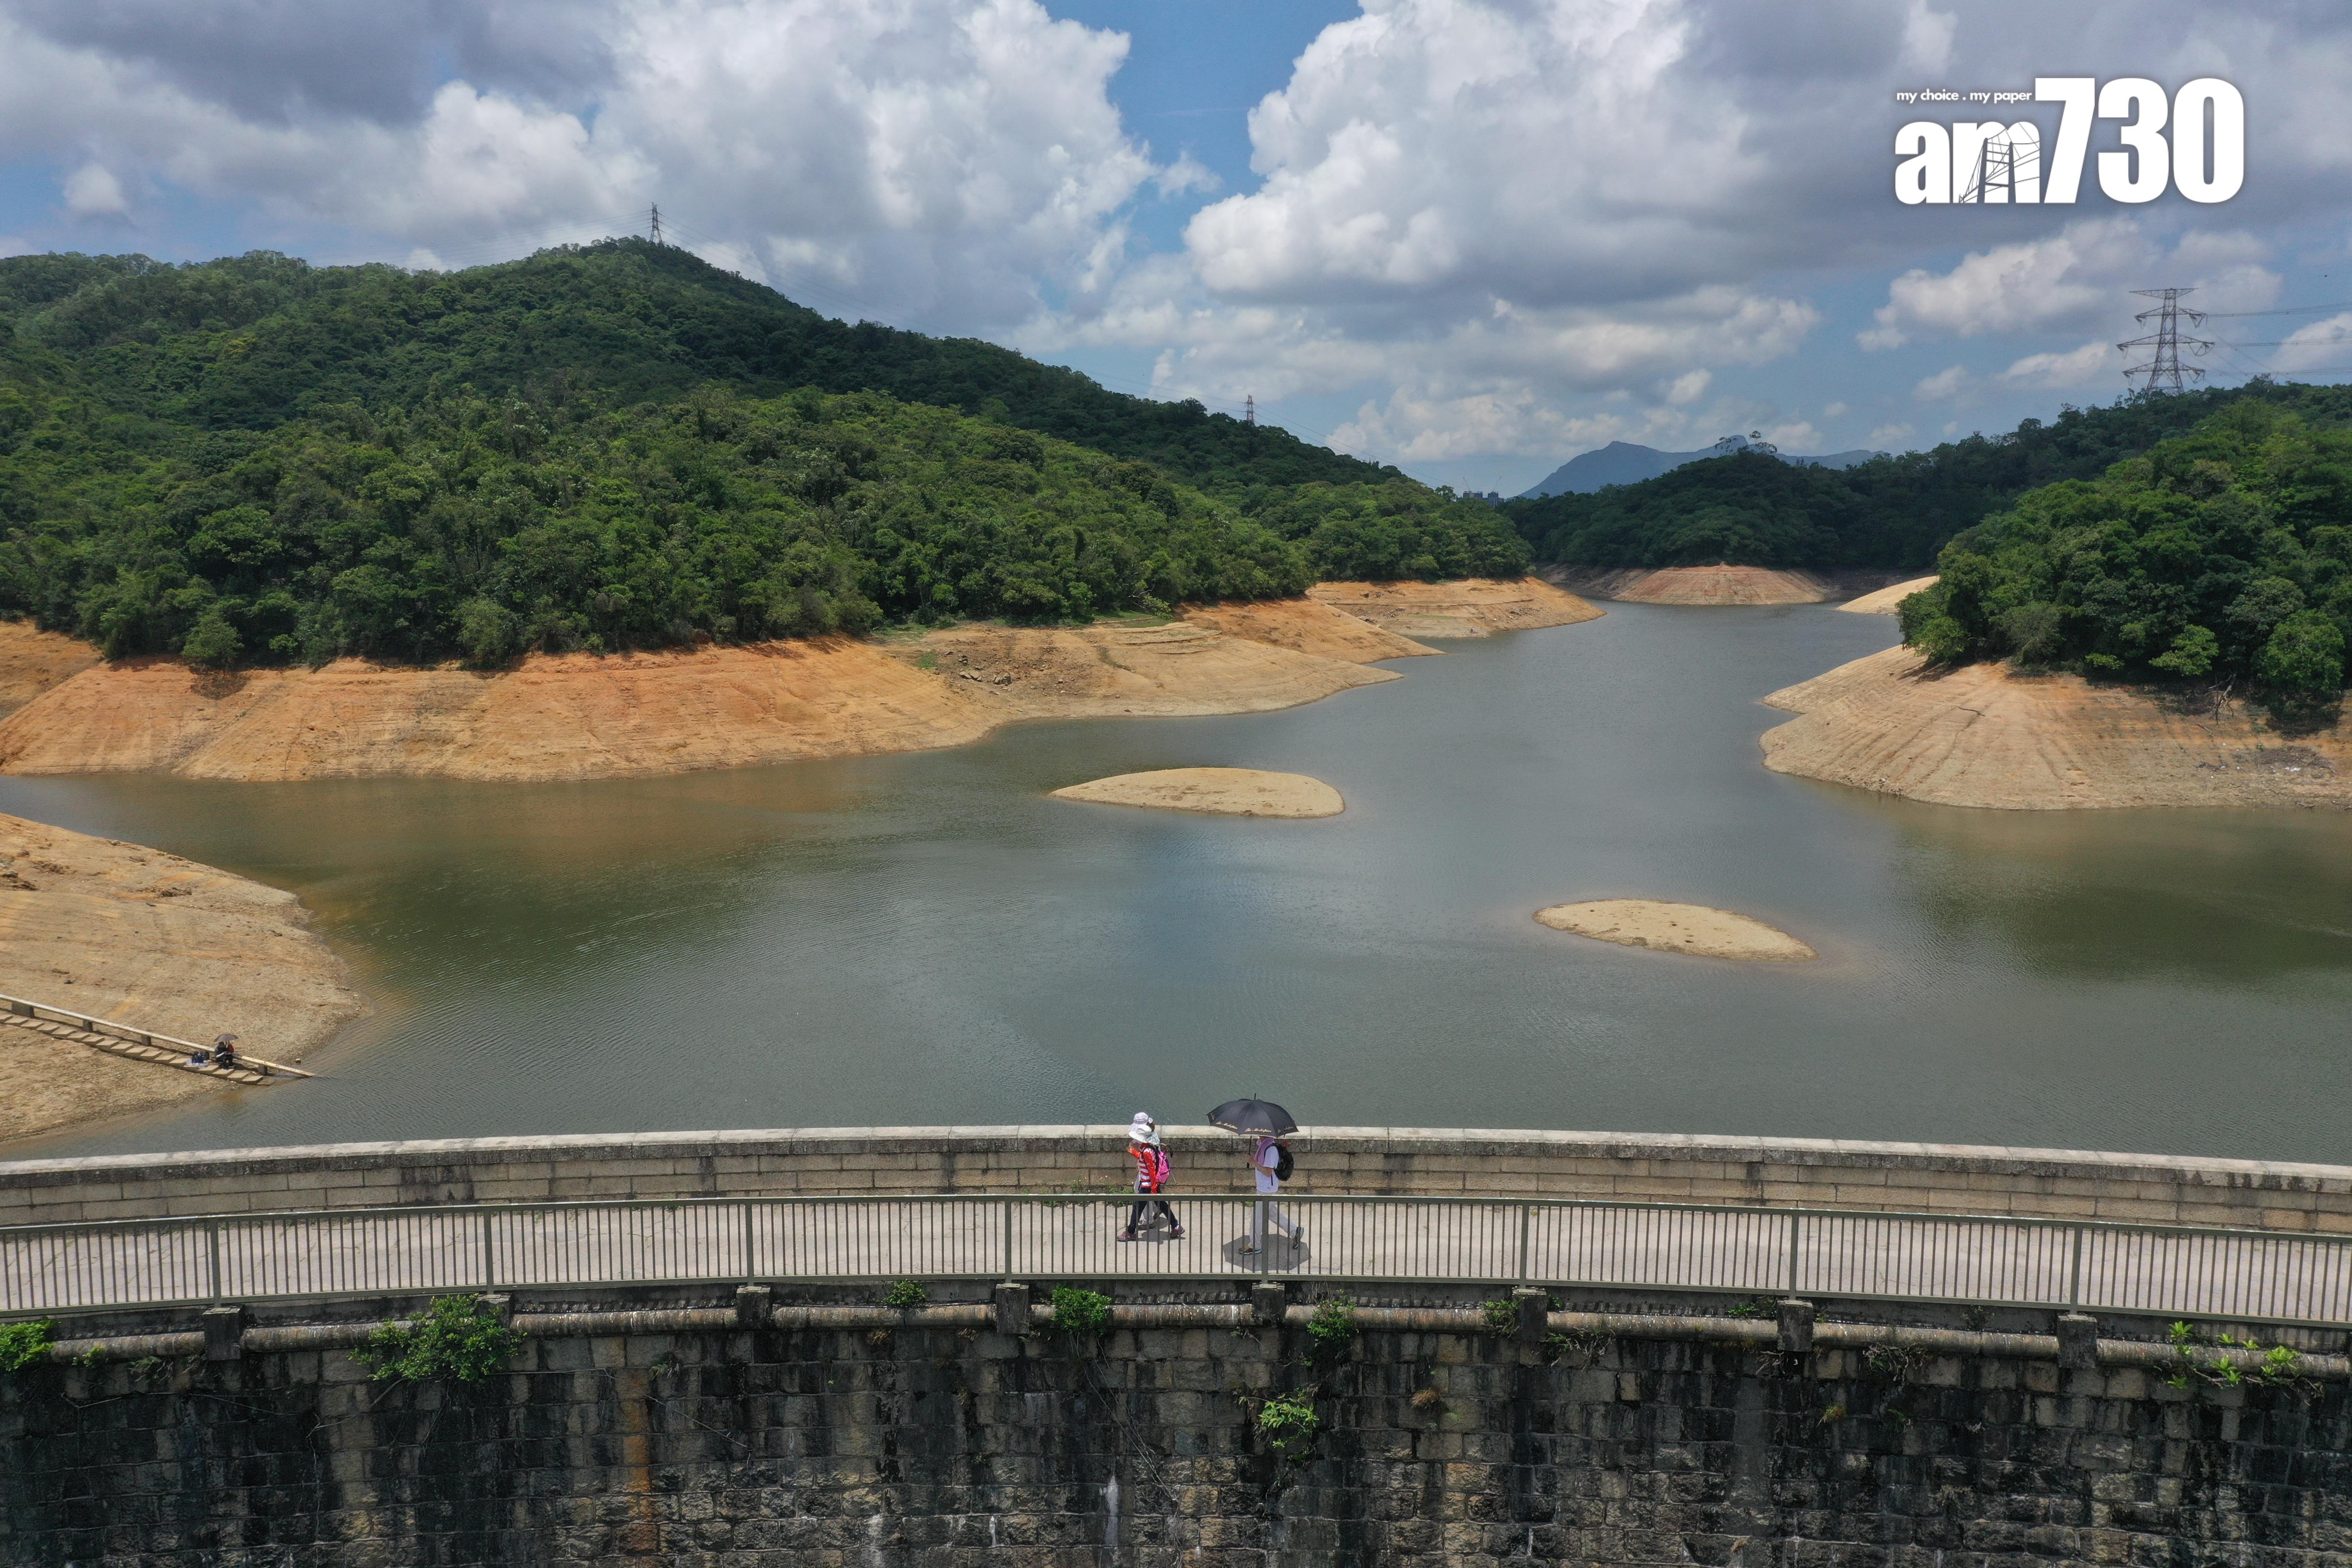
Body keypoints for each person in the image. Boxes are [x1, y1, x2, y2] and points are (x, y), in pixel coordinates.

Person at [1119, 1113, 1182, 1240]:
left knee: (1137, 1208)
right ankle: (1176, 1227)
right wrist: (1134, 1153)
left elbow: (1151, 1170)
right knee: (1162, 1205)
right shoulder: (1149, 1148)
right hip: (1150, 1185)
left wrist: (1153, 1188)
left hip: (1147, 1185)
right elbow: (1147, 1162)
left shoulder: (1147, 1151)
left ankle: (1131, 1233)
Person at [1243, 1133, 1302, 1254]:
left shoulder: (1270, 1150)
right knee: (1271, 1213)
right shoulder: (1264, 1145)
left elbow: (1268, 1172)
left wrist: (1253, 1162)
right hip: (1266, 1187)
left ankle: (1255, 1246)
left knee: (1257, 1217)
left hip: (1267, 1189)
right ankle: (1294, 1231)